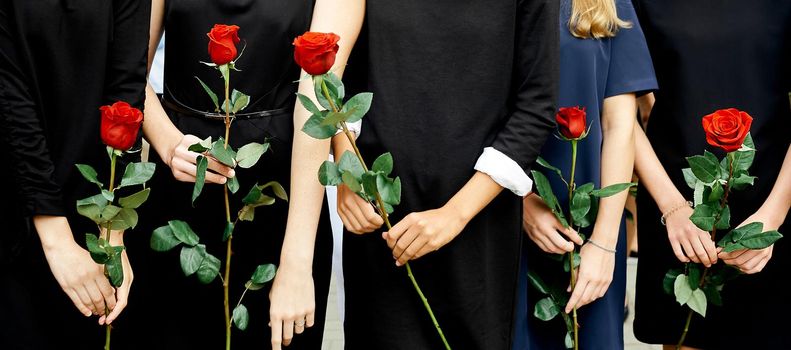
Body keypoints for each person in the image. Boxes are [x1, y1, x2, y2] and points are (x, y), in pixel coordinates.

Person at [120, 0, 360, 349]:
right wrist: (169, 144)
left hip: (283, 202)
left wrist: (295, 262)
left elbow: (318, 102)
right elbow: (127, 67)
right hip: (180, 191)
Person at [334, 1, 559, 348]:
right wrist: (347, 173)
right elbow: (340, 78)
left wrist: (455, 215)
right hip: (382, 222)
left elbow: (536, 106)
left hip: (478, 227)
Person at [631, 1, 791, 349]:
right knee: (685, 336)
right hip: (675, 211)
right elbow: (619, 113)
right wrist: (671, 207)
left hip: (774, 205)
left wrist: (773, 215)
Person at [0, 0, 150, 349]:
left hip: (96, 206)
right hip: (16, 209)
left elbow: (127, 87)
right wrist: (55, 234)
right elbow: (8, 94)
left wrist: (113, 234)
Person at [514, 0, 657, 348]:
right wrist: (519, 203)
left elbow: (620, 125)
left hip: (593, 228)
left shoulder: (607, 1)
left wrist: (605, 244)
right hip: (502, 216)